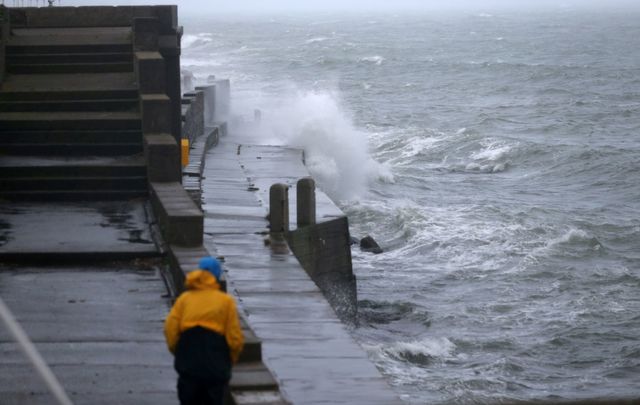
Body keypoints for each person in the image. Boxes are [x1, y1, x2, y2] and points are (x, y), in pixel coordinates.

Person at [164, 257, 244, 405]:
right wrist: (229, 360)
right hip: (215, 357)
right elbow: (234, 337)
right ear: (217, 276)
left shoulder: (185, 299)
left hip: (189, 353)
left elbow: (171, 328)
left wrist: (179, 351)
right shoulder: (225, 301)